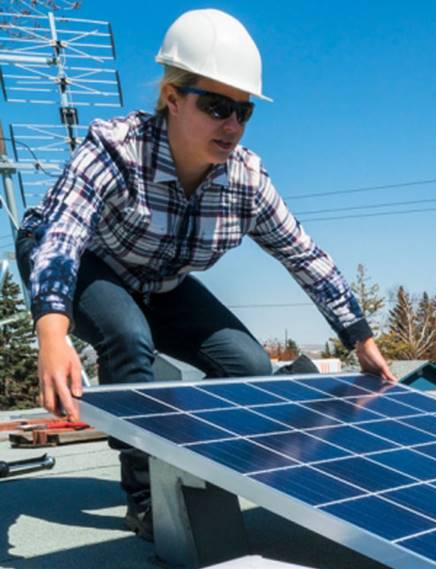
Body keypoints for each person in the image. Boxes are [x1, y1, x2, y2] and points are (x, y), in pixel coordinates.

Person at [15, 9, 394, 541]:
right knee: (127, 336)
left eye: (243, 112)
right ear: (172, 97)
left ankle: (197, 461)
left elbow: (304, 256)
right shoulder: (117, 149)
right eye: (216, 106)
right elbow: (63, 235)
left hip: (157, 280)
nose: (232, 126)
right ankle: (149, 497)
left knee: (249, 363)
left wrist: (360, 338)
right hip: (77, 260)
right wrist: (52, 333)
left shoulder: (245, 182)